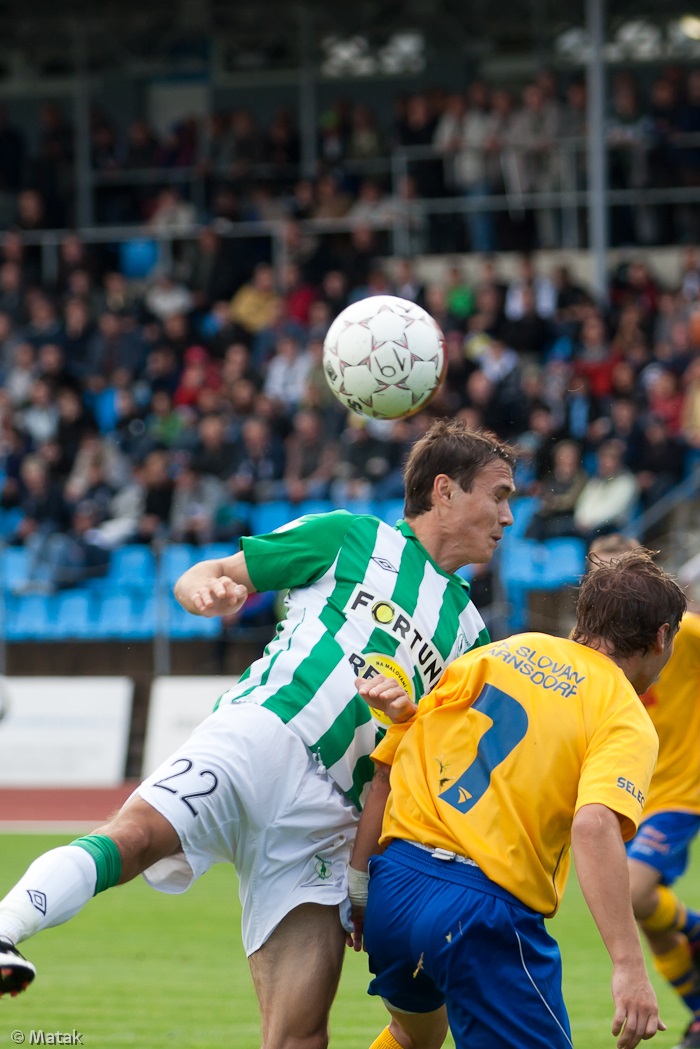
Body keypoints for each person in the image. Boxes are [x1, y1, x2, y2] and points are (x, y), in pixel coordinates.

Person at [0, 420, 517, 1049]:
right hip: (263, 734)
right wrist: (203, 590)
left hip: (329, 820)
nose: (508, 516)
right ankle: (6, 929)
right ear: (444, 491)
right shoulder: (352, 537)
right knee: (134, 838)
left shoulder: (471, 634)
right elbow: (212, 570)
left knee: (300, 1037)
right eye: (499, 494)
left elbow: (421, 759)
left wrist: (364, 860)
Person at [348, 549, 687, 1049]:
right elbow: (594, 825)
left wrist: (360, 889)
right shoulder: (623, 713)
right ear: (661, 637)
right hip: (478, 912)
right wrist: (629, 967)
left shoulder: (499, 652)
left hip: (394, 888)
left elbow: (388, 768)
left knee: (411, 1035)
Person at [589, 534, 700, 1049]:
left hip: (680, 790)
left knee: (634, 892)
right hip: (627, 796)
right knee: (650, 920)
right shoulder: (588, 653)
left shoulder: (685, 635)